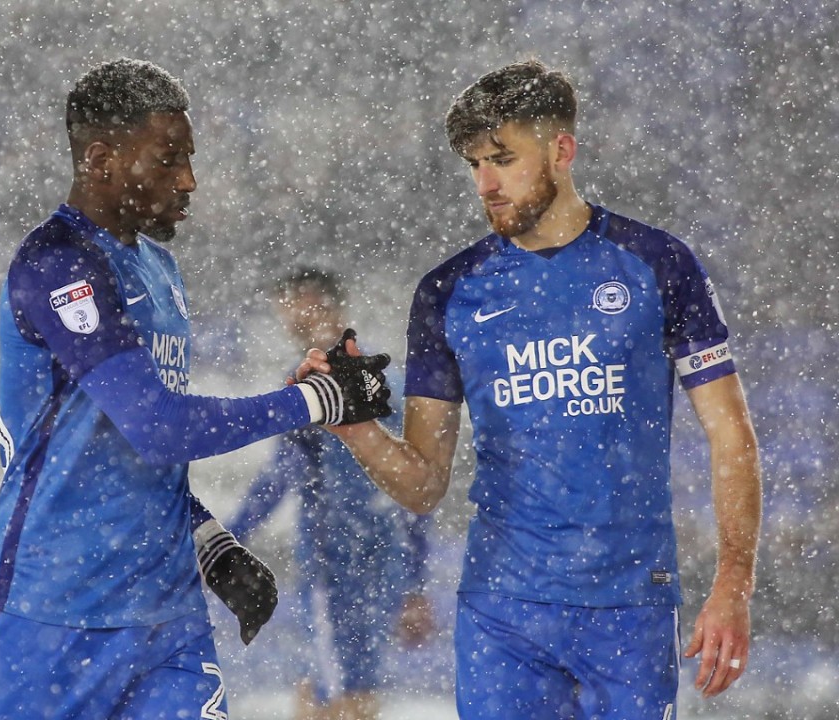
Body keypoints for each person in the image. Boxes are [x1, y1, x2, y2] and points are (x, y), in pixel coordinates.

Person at [312, 60, 762, 719]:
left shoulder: (658, 263)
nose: (485, 183)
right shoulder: (447, 292)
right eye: (474, 164)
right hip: (503, 615)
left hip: (630, 607)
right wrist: (356, 428)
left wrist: (733, 583)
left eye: (502, 159)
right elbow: (424, 484)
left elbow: (731, 436)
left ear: (561, 150)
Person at [0, 58, 392, 720]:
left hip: (166, 623)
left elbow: (124, 455)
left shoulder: (159, 269)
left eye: (189, 158)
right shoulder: (57, 264)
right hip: (47, 622)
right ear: (100, 160)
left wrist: (207, 541)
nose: (189, 180)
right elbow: (158, 428)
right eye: (168, 160)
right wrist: (316, 401)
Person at [228, 267, 434, 720]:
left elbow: (280, 476)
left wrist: (228, 536)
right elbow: (416, 486)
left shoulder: (324, 381)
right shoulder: (380, 374)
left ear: (321, 304)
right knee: (338, 687)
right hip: (369, 558)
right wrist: (414, 581)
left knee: (338, 692)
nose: (289, 319)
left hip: (339, 560)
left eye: (294, 306)